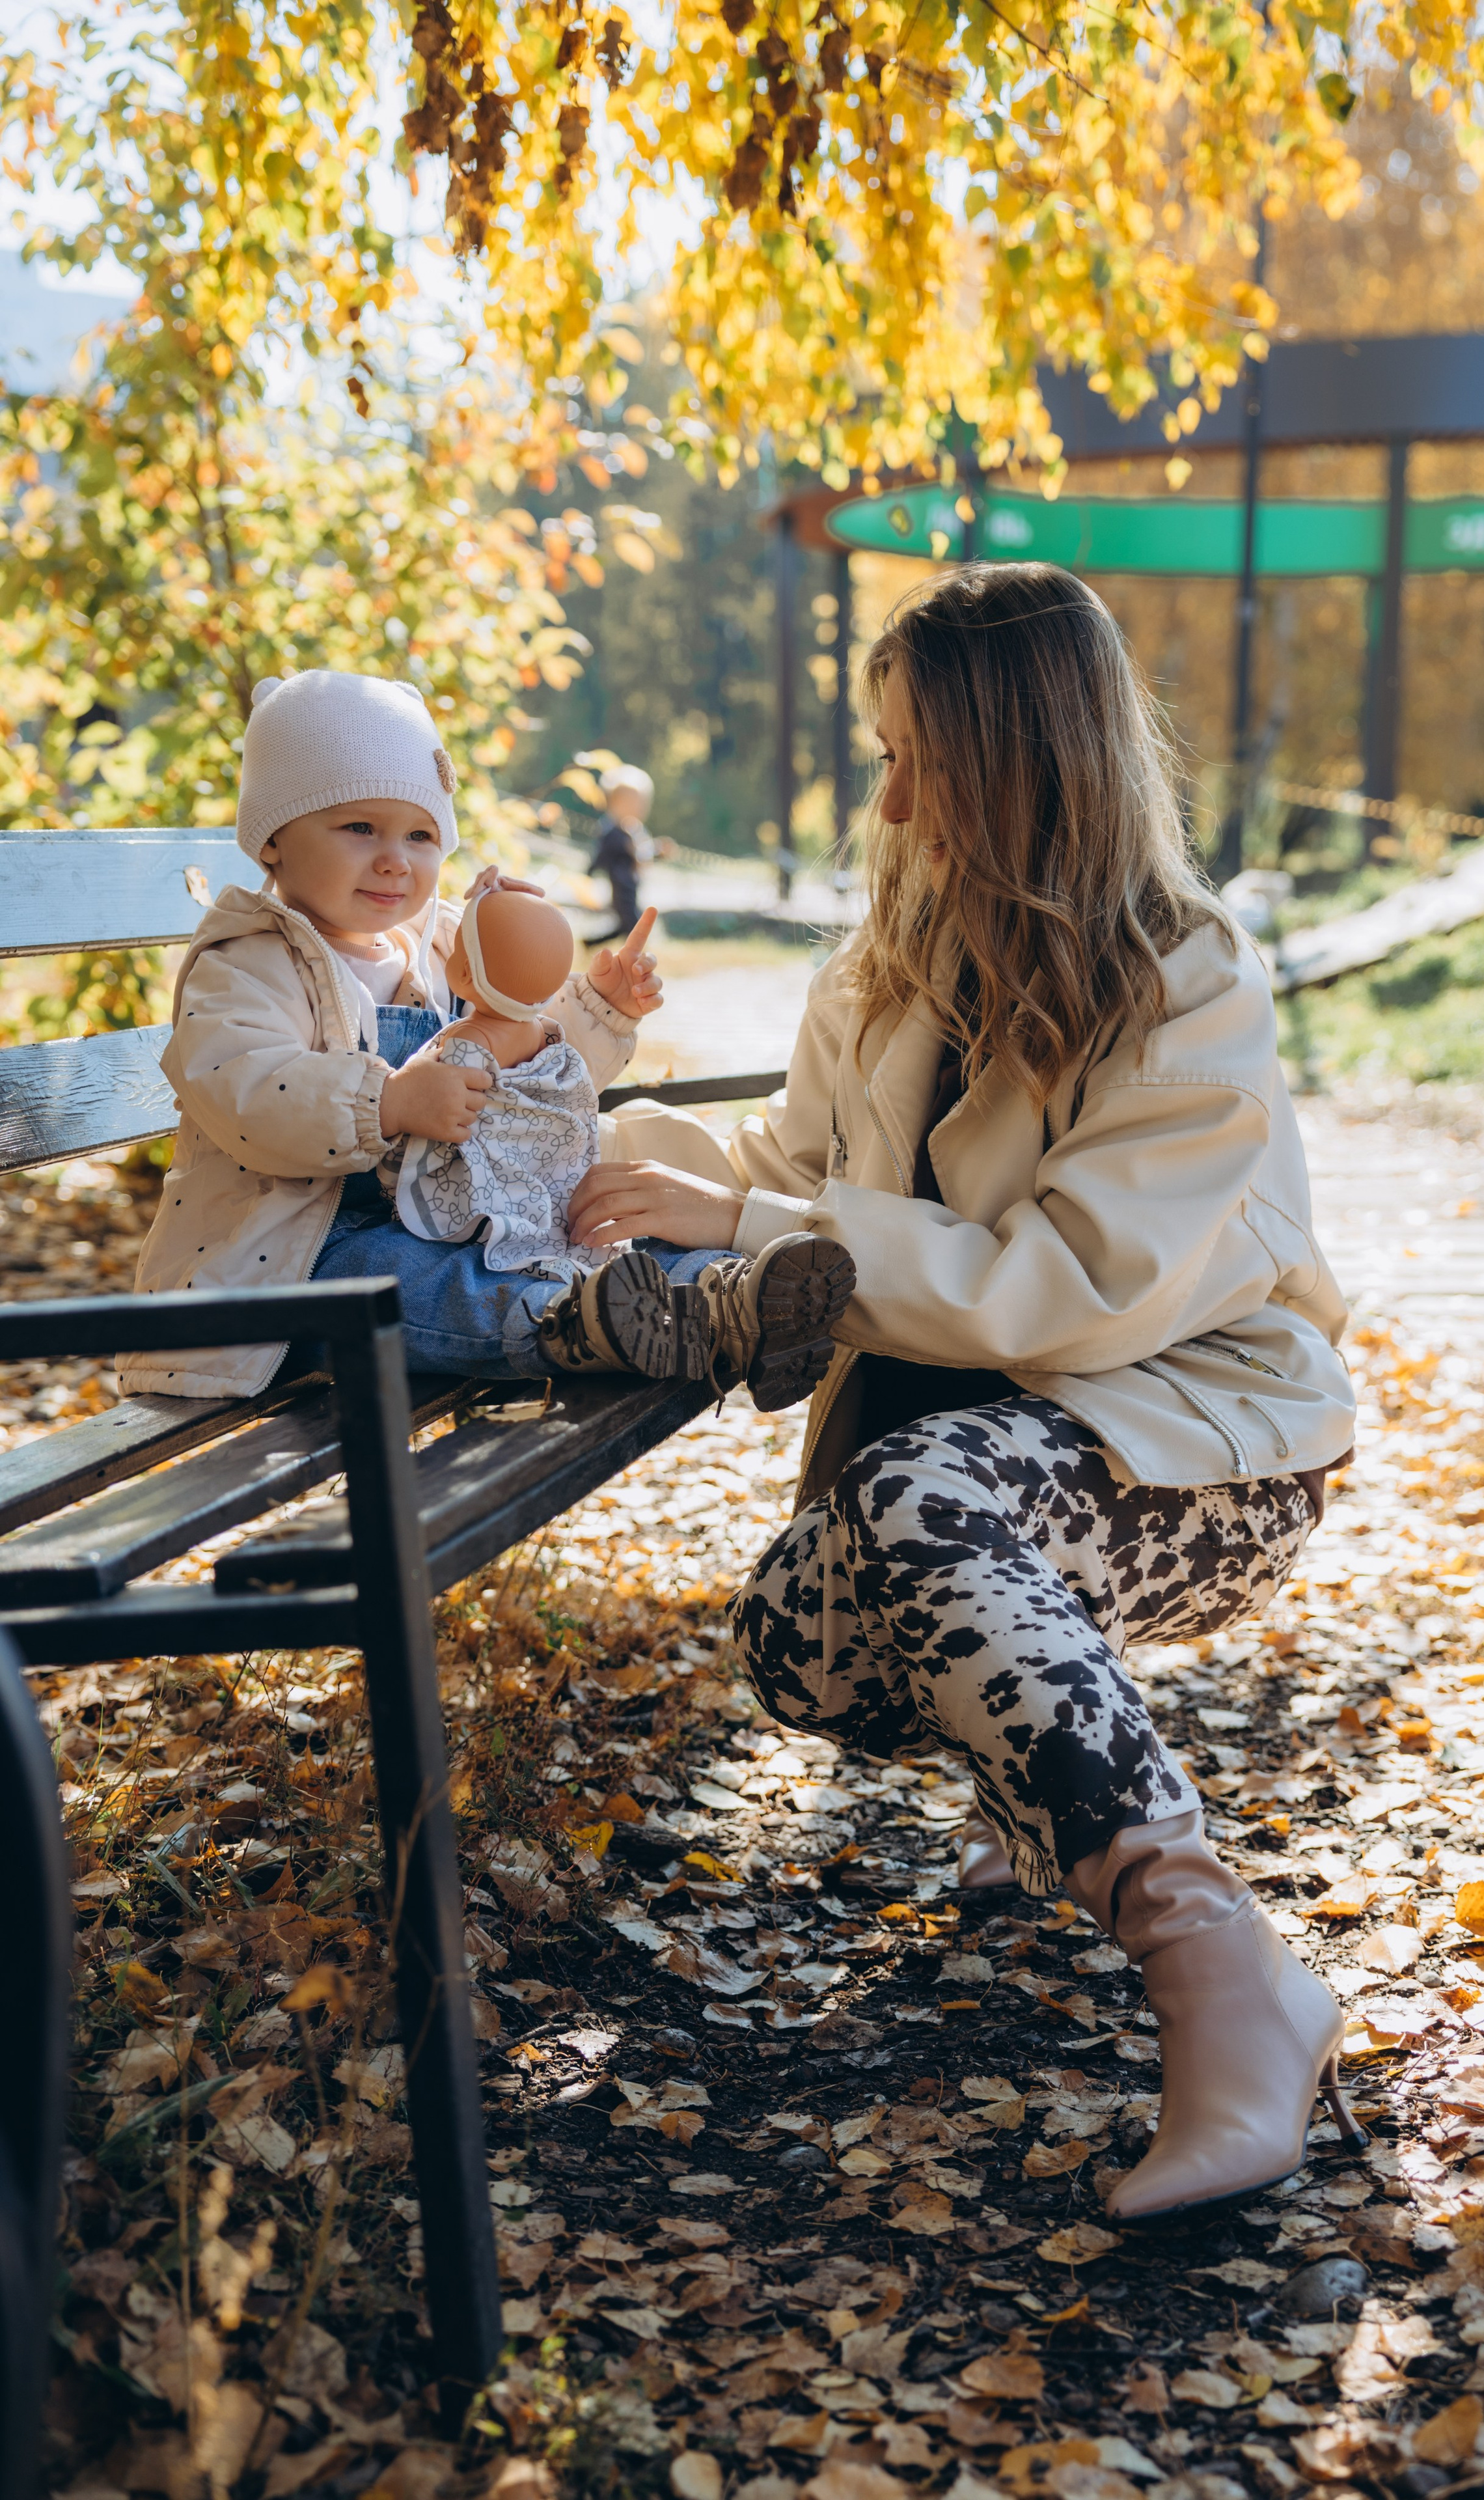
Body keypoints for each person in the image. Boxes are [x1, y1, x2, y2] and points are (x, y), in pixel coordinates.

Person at [561, 565, 1362, 2223]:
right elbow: (792, 1177)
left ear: (1014, 756)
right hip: (939, 1458)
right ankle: (1032, 1774)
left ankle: (1219, 1968)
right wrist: (595, 1148)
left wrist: (759, 1218)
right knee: (796, 1640)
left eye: (912, 750)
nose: (889, 793)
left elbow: (1065, 1294)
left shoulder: (1185, 974)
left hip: (1189, 1442)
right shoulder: (885, 964)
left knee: (921, 1506)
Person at [120, 671, 853, 1406]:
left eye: (420, 835)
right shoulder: (248, 962)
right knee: (421, 1284)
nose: (394, 859)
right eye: (358, 829)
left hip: (446, 1212)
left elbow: (516, 1075)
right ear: (273, 839)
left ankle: (722, 1298)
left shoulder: (438, 948)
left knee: (586, 1227)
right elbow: (247, 1093)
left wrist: (595, 1012)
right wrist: (389, 1103)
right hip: (292, 1263)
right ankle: (572, 1324)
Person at [588, 764, 655, 941]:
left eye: (639, 803)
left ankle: (591, 943)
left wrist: (658, 852)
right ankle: (635, 954)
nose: (636, 807)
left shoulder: (634, 830)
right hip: (620, 884)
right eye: (630, 802)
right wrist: (590, 872)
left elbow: (642, 855)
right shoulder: (612, 832)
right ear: (614, 803)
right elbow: (601, 854)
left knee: (625, 924)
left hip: (631, 885)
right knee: (632, 923)